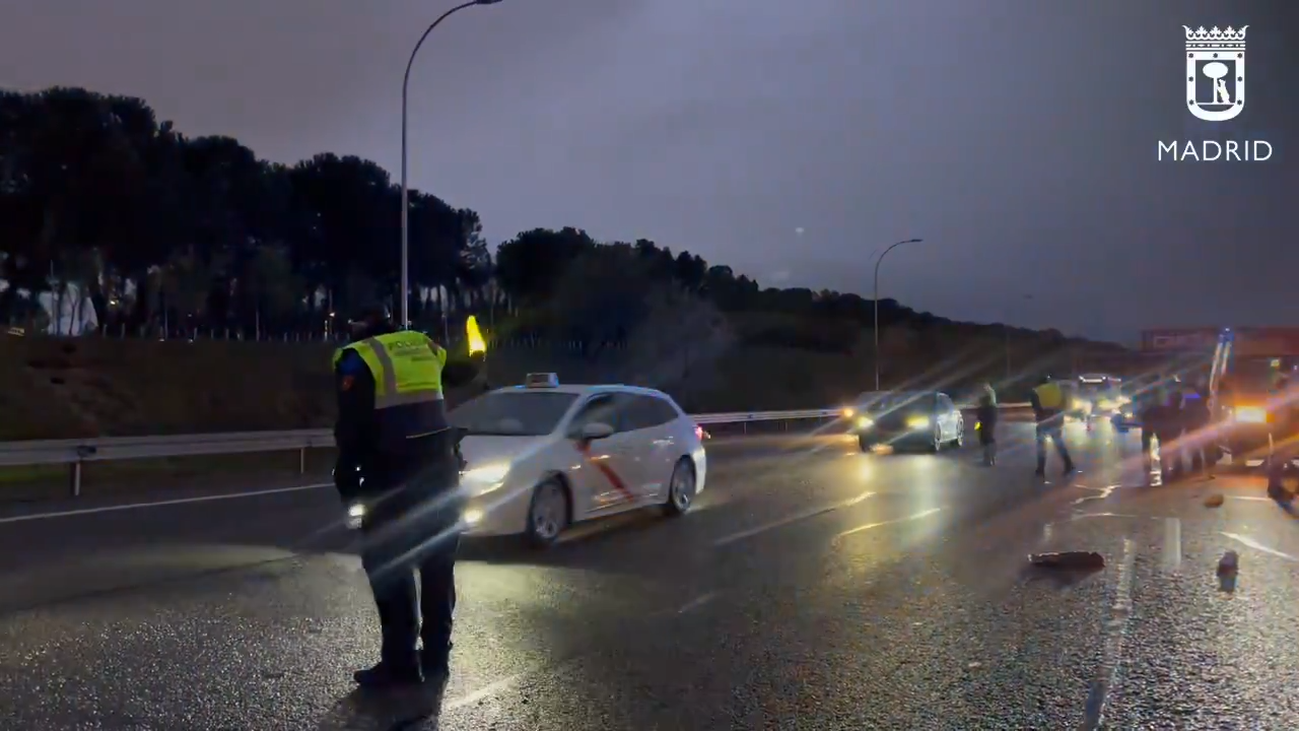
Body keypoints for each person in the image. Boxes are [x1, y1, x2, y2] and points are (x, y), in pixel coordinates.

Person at [333, 302, 484, 689]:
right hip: (441, 475)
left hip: (391, 480)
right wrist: (477, 343)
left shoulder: (358, 358)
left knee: (389, 566)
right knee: (437, 567)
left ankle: (400, 664)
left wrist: (347, 482)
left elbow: (351, 429)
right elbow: (466, 370)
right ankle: (436, 658)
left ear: (359, 328)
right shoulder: (423, 346)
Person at [1029, 374, 1075, 478]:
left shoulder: (1036, 391)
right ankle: (1069, 464)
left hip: (1044, 419)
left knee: (1041, 444)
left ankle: (1040, 469)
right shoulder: (1057, 388)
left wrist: (1041, 415)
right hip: (1057, 417)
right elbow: (1065, 402)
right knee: (1058, 442)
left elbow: (1036, 407)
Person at [975, 383, 998, 465]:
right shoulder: (990, 399)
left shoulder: (987, 401)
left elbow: (980, 417)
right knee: (987, 437)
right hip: (986, 418)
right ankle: (991, 458)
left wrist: (977, 427)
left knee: (986, 437)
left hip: (986, 417)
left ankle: (988, 458)